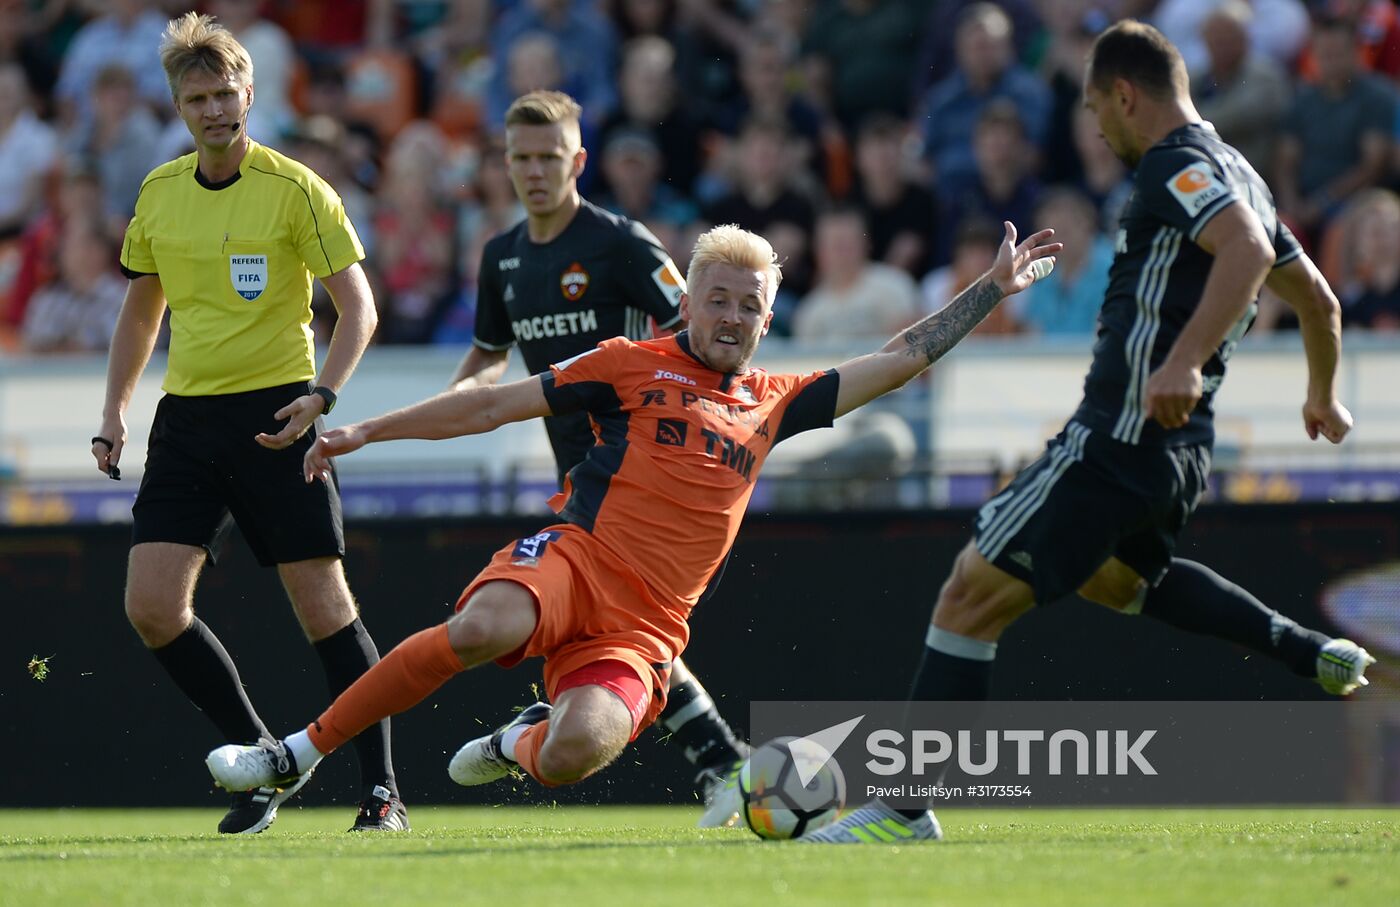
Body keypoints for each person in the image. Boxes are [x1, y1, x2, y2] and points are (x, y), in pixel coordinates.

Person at [203, 219, 1063, 816]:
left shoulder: (775, 401)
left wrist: (987, 292)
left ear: (769, 318)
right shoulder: (626, 363)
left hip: (648, 629)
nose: (732, 317)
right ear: (687, 301)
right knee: (480, 625)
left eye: (749, 306)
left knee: (577, 752)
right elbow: (491, 407)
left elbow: (896, 360)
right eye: (718, 299)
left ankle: (520, 742)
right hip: (575, 560)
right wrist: (364, 430)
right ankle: (293, 756)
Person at [806, 20, 1375, 845]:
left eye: (1094, 107)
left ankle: (902, 809)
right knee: (1122, 583)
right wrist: (1322, 394)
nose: (1095, 128)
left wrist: (1181, 360)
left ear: (1124, 94)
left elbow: (1245, 252)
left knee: (968, 593)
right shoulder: (1242, 173)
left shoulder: (1175, 164)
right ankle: (1305, 647)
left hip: (1121, 436)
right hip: (1179, 454)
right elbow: (1318, 300)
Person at [91, 13, 405, 834]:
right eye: (198, 97)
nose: (215, 110)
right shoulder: (159, 193)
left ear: (250, 94)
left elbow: (359, 307)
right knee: (151, 606)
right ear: (179, 106)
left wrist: (323, 397)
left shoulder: (298, 187)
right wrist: (115, 411)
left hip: (279, 409)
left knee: (324, 610)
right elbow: (139, 313)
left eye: (226, 92)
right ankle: (261, 763)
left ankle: (382, 792)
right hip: (188, 421)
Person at [447, 89, 747, 828]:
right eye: (521, 158)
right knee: (621, 626)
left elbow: (695, 336)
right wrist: (465, 397)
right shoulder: (503, 257)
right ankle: (712, 760)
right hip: (577, 476)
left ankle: (714, 760)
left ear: (577, 160)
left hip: (643, 470)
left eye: (549, 157)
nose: (534, 172)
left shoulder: (622, 243)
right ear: (505, 164)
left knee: (635, 622)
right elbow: (488, 356)